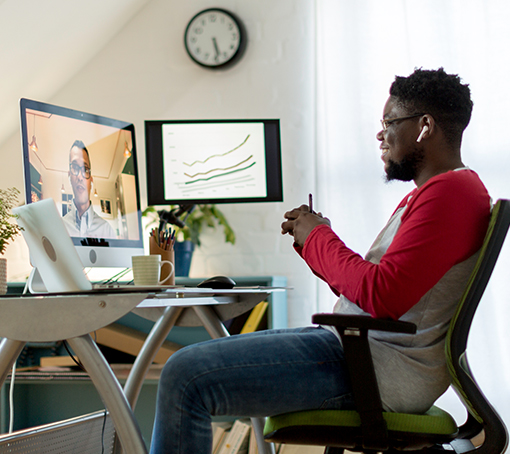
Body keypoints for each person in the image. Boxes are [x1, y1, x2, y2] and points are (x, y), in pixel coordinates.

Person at [149, 68, 491, 454]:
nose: (381, 134)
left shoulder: (450, 194)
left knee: (184, 375)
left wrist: (317, 236)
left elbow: (382, 295)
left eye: (390, 121)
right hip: (361, 352)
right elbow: (374, 289)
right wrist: (313, 240)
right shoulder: (443, 192)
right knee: (191, 365)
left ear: (425, 126)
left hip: (372, 368)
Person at [63, 140, 116, 239]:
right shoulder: (60, 228)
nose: (80, 176)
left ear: (90, 180)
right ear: (69, 176)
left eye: (85, 169)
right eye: (75, 167)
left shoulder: (107, 230)